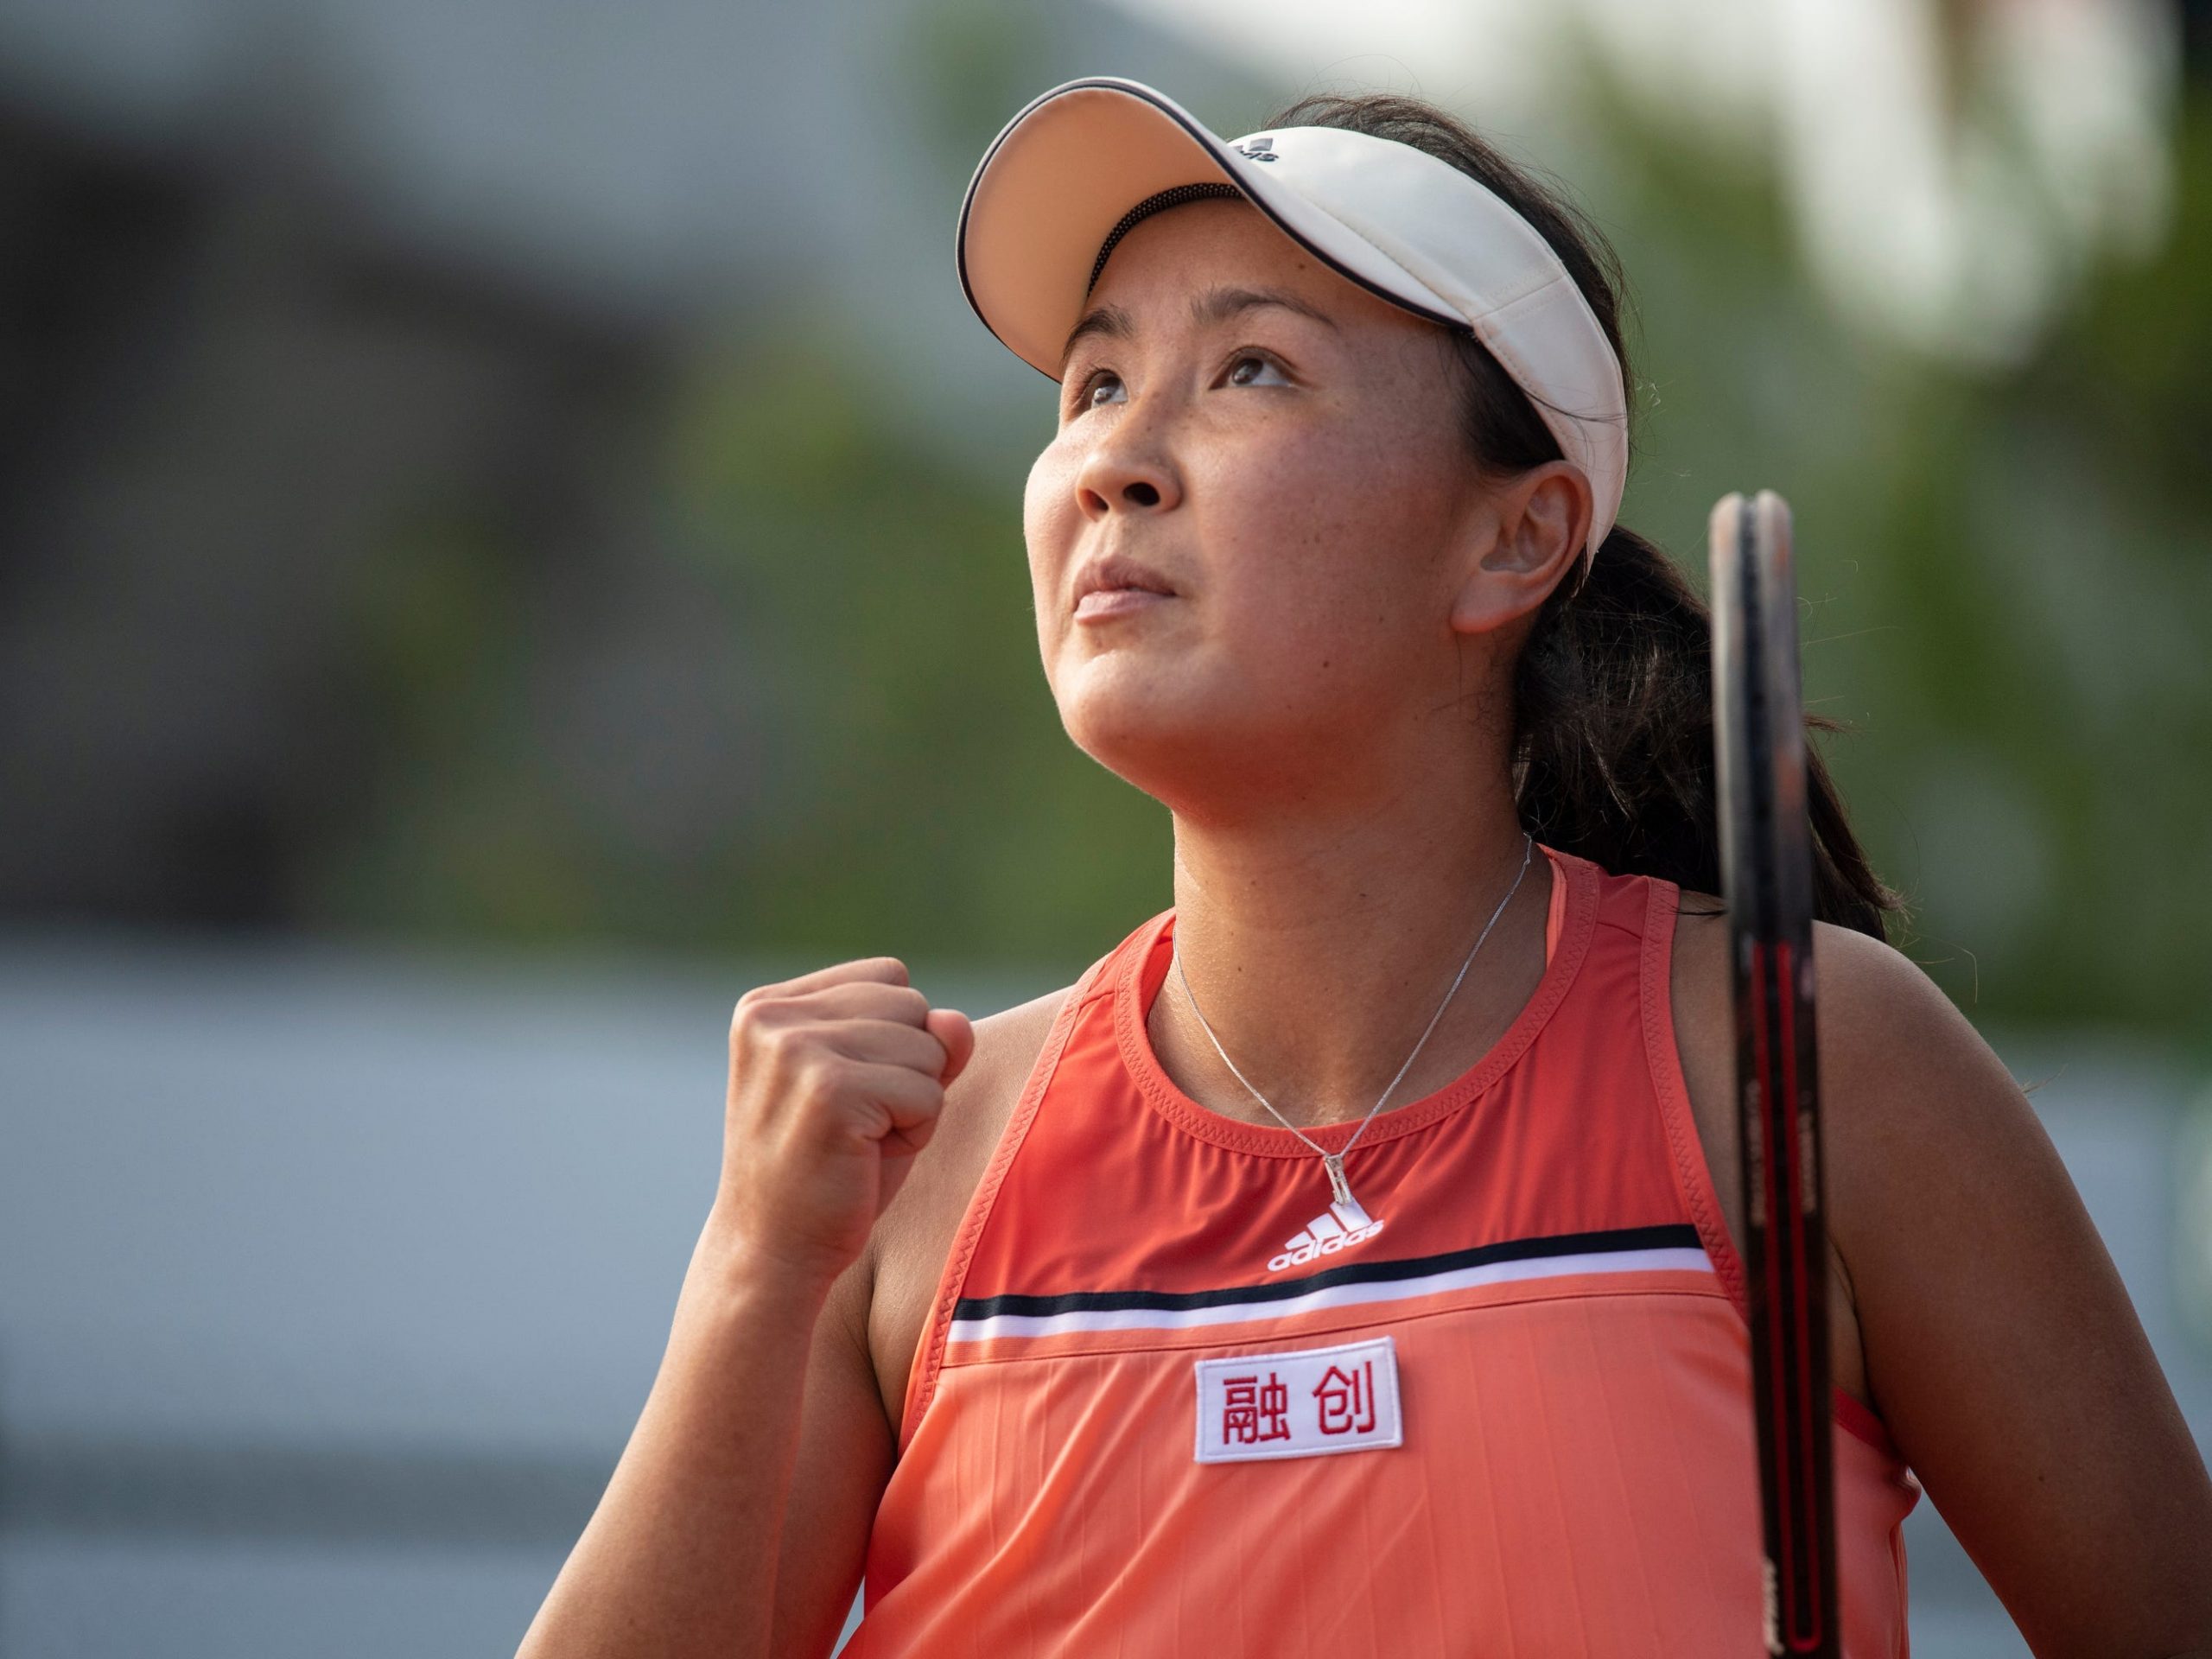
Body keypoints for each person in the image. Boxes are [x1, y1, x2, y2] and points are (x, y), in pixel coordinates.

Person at [514, 78, 2212, 1659]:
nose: (1112, 454)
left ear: (1512, 536)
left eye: (1250, 368)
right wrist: (750, 1273)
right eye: (1092, 384)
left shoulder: (1806, 1061)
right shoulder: (906, 1172)